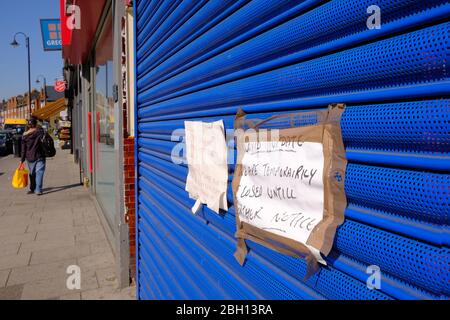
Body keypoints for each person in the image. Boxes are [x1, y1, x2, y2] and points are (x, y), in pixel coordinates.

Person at [20, 118, 46, 195]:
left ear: (28, 125)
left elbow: (23, 149)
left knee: (32, 173)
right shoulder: (40, 132)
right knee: (39, 173)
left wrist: (22, 159)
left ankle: (33, 188)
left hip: (30, 157)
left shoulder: (24, 135)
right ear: (36, 124)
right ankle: (38, 190)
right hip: (40, 155)